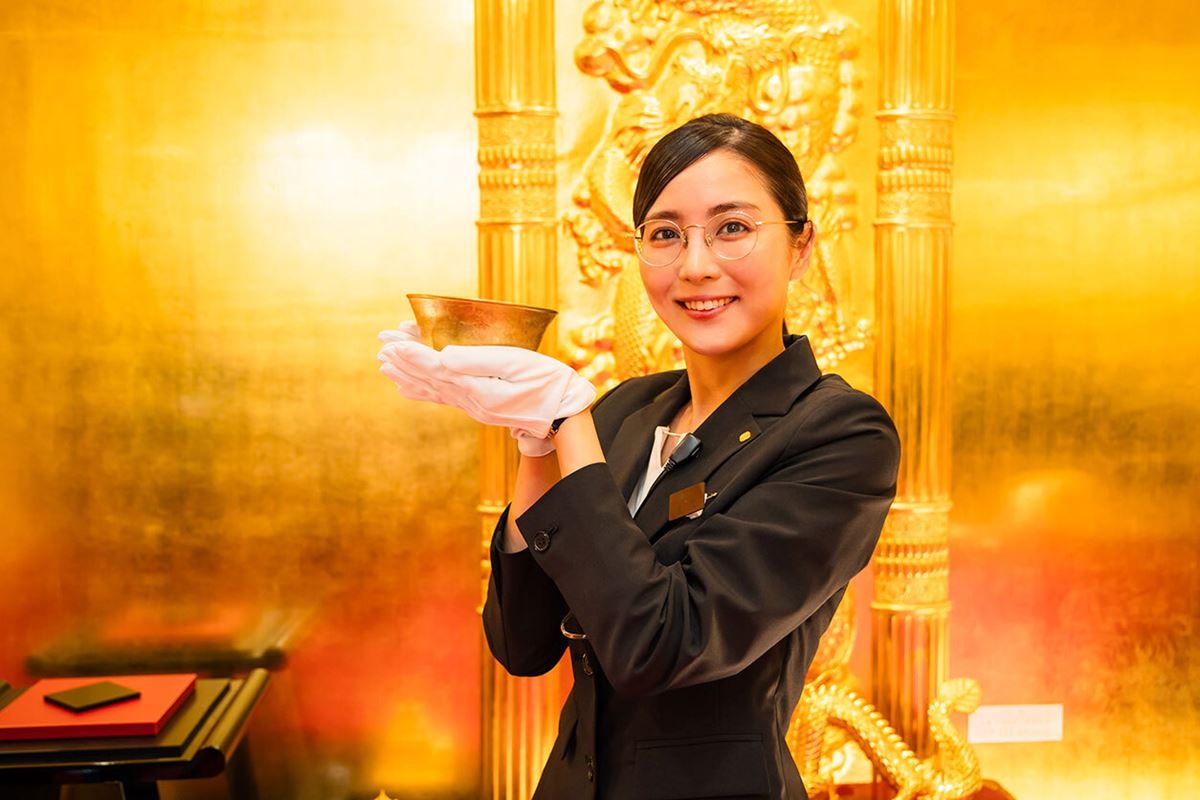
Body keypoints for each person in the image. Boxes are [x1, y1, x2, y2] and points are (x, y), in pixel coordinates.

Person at [378, 113, 900, 800]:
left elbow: (662, 643)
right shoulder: (627, 409)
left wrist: (567, 422)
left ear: (801, 247)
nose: (695, 265)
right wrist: (536, 443)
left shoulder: (840, 433)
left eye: (732, 227)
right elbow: (523, 643)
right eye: (665, 233)